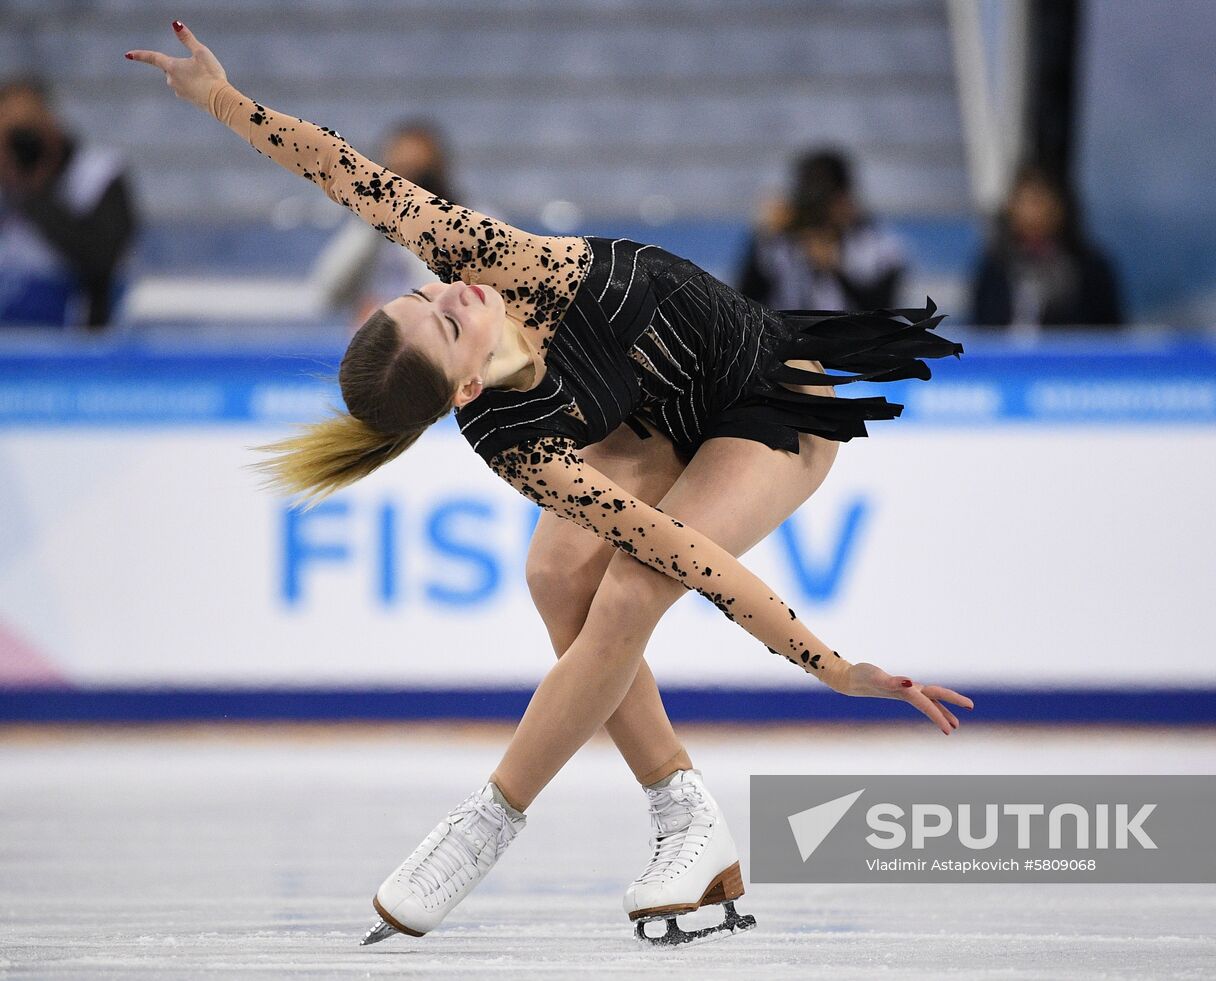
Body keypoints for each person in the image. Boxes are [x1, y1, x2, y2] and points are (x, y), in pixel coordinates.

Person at [129, 22, 973, 948]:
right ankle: (688, 816)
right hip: (657, 426)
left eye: (429, 295)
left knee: (632, 590)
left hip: (772, 403)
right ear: (459, 389)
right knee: (554, 577)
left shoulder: (501, 261)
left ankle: (486, 823)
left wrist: (220, 100)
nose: (454, 295)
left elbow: (341, 172)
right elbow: (670, 533)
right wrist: (830, 663)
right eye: (446, 323)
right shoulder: (506, 436)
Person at [0, 78, 137, 329]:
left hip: (74, 340)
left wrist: (34, 190)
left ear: (51, 121)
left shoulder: (98, 175)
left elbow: (101, 261)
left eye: (28, 130)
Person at [314, 119, 460, 325]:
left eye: (416, 170)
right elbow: (327, 292)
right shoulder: (368, 224)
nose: (405, 181)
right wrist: (375, 221)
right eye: (398, 168)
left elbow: (455, 297)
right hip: (377, 345)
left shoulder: (469, 219)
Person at [738, 148, 907, 311]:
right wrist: (764, 237)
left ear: (844, 199)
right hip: (789, 338)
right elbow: (744, 304)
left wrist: (836, 270)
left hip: (855, 339)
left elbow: (885, 314)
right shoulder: (779, 244)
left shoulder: (880, 248)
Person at [970, 165, 1123, 330]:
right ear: (1011, 208)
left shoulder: (1091, 267)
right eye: (1026, 202)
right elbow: (981, 330)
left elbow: (1111, 334)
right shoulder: (993, 266)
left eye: (1040, 202)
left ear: (1059, 207)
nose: (1034, 213)